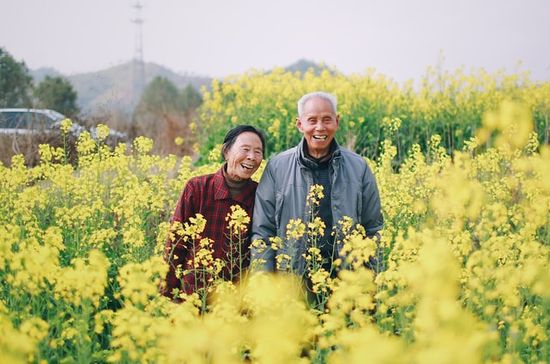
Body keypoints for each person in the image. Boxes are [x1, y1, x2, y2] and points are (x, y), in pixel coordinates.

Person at [251, 91, 383, 277]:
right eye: (312, 120)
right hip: (292, 281)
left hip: (346, 281)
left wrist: (372, 281)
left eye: (327, 120)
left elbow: (373, 229)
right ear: (300, 124)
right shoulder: (277, 167)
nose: (320, 127)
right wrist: (263, 283)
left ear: (337, 122)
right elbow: (263, 232)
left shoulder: (358, 167)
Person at [162, 125, 265, 300]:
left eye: (258, 152)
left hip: (234, 305)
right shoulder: (197, 188)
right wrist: (165, 296)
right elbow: (176, 245)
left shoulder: (261, 195)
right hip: (192, 297)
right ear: (226, 152)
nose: (251, 157)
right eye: (245, 149)